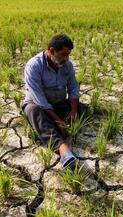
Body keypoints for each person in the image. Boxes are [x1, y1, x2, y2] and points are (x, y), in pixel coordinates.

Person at [22, 34, 87, 169]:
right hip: (40, 106)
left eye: (68, 54)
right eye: (63, 54)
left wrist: (74, 111)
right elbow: (40, 99)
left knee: (83, 108)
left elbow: (73, 87)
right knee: (33, 111)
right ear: (51, 51)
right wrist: (58, 120)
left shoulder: (67, 65)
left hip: (59, 103)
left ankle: (55, 125)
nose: (66, 58)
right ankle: (64, 151)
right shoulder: (34, 66)